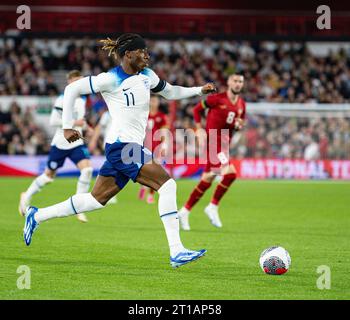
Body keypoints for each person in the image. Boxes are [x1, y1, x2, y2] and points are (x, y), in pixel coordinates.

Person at [22, 33, 216, 268]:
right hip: (123, 146)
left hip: (124, 147)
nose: (147, 55)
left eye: (147, 51)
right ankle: (176, 251)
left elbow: (170, 91)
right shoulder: (109, 79)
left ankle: (37, 215)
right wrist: (65, 127)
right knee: (168, 184)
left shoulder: (147, 76)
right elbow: (72, 90)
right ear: (128, 54)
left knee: (95, 200)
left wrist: (198, 90)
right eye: (142, 51)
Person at [19, 70, 92, 223]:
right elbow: (53, 121)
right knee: (48, 176)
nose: (80, 83)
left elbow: (80, 120)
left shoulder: (82, 99)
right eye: (77, 80)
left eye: (81, 80)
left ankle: (79, 207)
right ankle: (26, 195)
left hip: (76, 142)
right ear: (70, 81)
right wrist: (75, 123)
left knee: (87, 170)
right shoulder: (62, 99)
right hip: (61, 143)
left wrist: (85, 126)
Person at [178, 74, 246, 230]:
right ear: (229, 82)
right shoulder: (217, 99)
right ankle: (213, 206)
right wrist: (199, 129)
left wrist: (238, 126)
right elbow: (197, 109)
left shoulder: (241, 104)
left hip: (224, 143)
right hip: (213, 141)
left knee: (208, 178)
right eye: (235, 81)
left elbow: (238, 123)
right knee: (231, 173)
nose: (237, 84)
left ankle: (184, 211)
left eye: (240, 82)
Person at [138, 95, 169, 204]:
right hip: (143, 146)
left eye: (155, 100)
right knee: (145, 170)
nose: (154, 102)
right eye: (152, 100)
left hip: (156, 148)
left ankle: (150, 195)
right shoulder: (143, 115)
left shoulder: (162, 116)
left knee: (155, 172)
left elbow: (164, 132)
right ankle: (144, 186)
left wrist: (164, 145)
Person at [88, 109, 117, 204]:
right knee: (112, 169)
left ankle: (102, 193)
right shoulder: (108, 114)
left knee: (113, 169)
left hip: (121, 144)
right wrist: (93, 140)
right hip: (111, 144)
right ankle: (102, 193)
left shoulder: (123, 110)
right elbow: (99, 127)